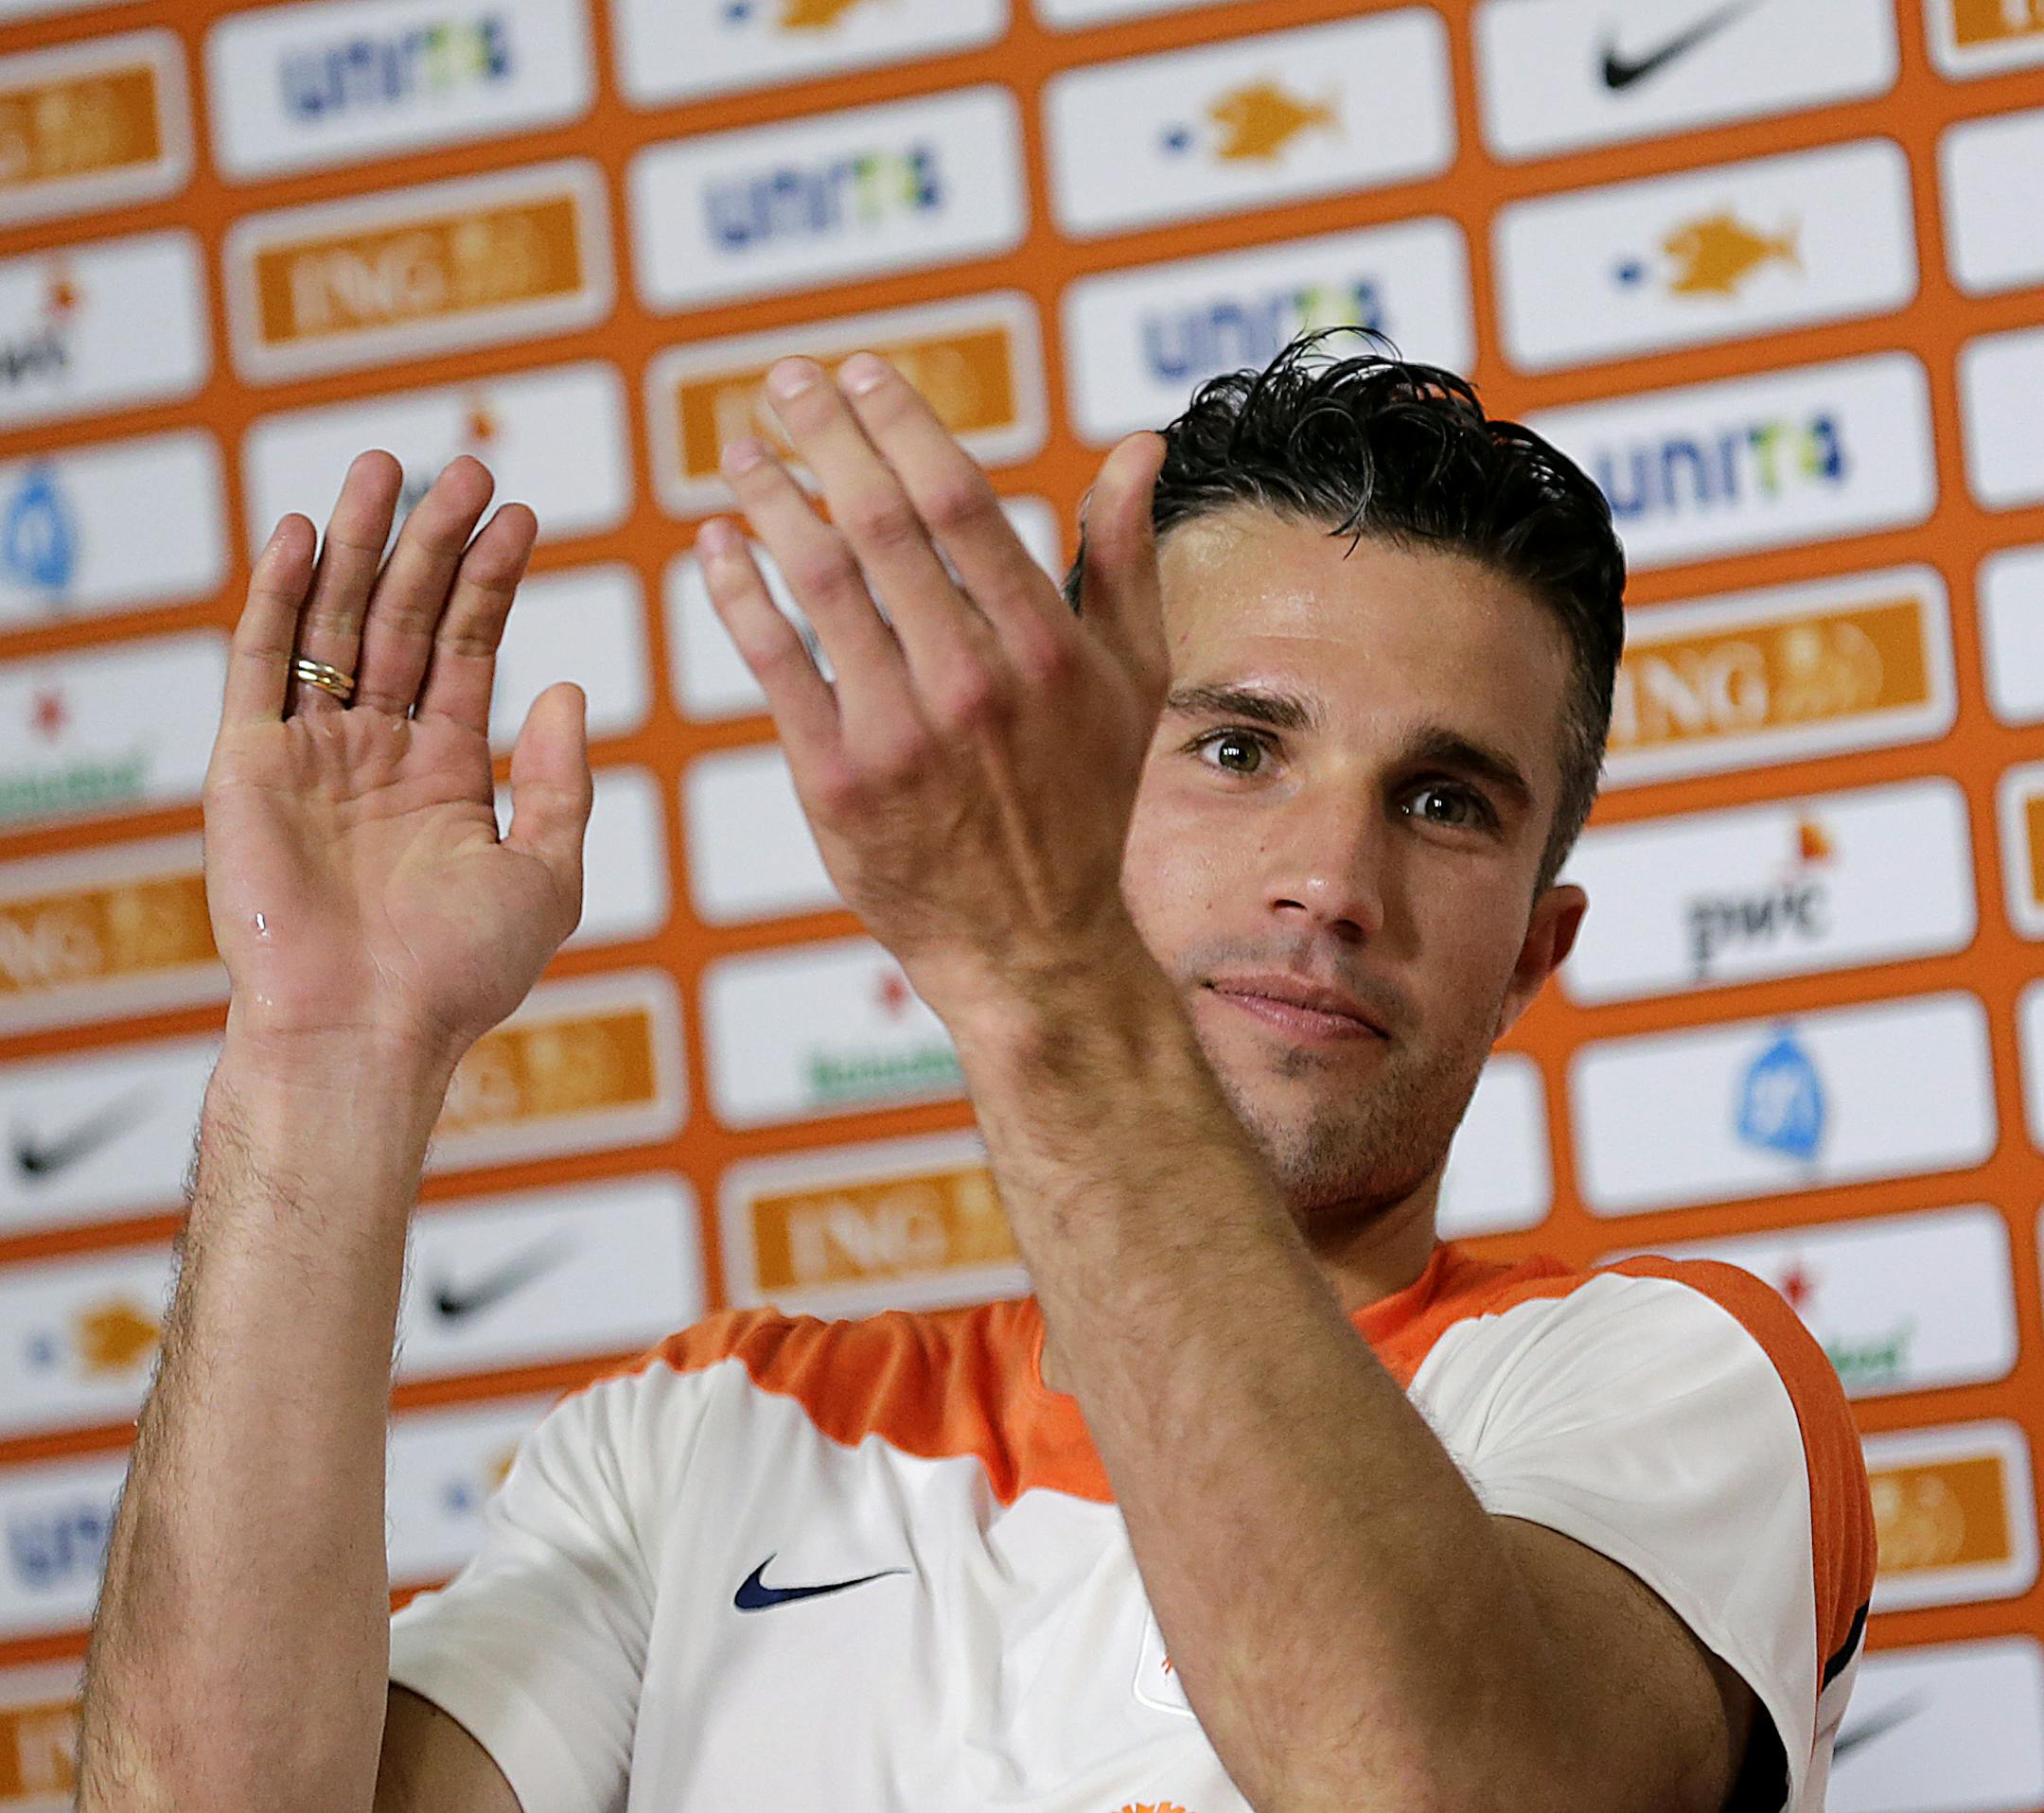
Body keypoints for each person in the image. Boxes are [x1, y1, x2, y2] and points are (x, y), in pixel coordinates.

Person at [74, 334, 1873, 1813]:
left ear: (1534, 957)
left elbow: (1431, 1785)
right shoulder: (703, 1445)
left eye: (1444, 800)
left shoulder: (1672, 1382)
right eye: (1237, 746)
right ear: (1069, 779)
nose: (1331, 880)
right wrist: (324, 1061)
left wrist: (1042, 967)